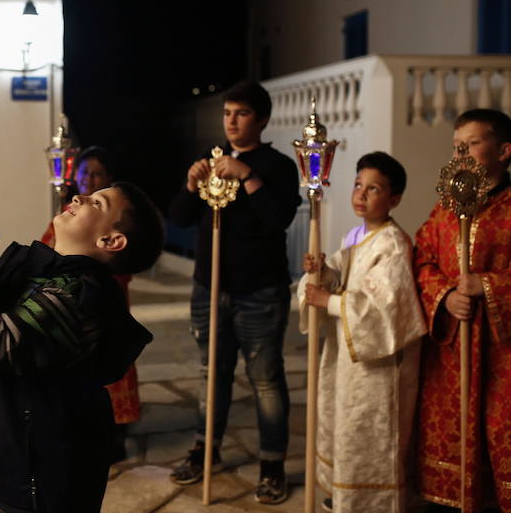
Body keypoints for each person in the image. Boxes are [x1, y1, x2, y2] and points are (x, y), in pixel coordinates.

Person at [0, 181, 164, 512]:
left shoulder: (76, 298)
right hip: (10, 454)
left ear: (111, 240)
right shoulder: (42, 273)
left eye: (96, 203)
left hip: (39, 480)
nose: (79, 197)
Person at [168, 80, 300, 504]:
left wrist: (247, 176)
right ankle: (206, 449)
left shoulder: (277, 166)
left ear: (261, 119)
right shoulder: (210, 162)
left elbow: (278, 218)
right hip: (210, 288)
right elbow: (180, 216)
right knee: (212, 374)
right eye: (227, 114)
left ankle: (272, 464)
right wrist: (191, 185)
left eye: (241, 114)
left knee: (264, 379)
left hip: (259, 291)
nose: (232, 122)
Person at [298, 152, 426, 512]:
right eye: (358, 185)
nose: (361, 194)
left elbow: (385, 310)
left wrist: (330, 301)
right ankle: (346, 496)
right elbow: (342, 277)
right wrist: (322, 271)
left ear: (394, 199)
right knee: (347, 427)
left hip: (378, 369)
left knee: (370, 434)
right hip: (349, 360)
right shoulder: (356, 236)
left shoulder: (394, 244)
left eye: (374, 189)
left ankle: (371, 502)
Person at [414, 109, 511, 512]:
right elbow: (422, 261)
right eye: (457, 147)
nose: (462, 154)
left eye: (472, 144)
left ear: (504, 150)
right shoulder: (444, 209)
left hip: (503, 358)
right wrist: (446, 294)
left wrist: (488, 285)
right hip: (452, 353)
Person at [41, 146, 141, 461]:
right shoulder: (70, 215)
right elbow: (46, 250)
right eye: (85, 173)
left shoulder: (115, 222)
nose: (89, 180)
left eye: (97, 174)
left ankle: (116, 434)